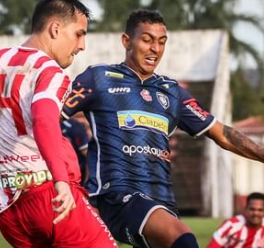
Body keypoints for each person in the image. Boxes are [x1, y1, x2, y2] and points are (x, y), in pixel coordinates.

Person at [62, 9, 264, 248]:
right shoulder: (100, 77)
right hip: (118, 196)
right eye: (146, 40)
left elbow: (221, 133)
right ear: (126, 41)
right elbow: (51, 116)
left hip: (163, 201)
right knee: (185, 241)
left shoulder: (172, 91)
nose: (155, 49)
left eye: (161, 42)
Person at [0, 1, 117, 247]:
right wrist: (61, 181)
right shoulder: (49, 71)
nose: (82, 45)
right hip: (49, 194)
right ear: (55, 29)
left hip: (8, 211)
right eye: (79, 34)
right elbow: (43, 119)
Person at [61, 118, 89, 185]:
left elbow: (88, 155)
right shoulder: (38, 126)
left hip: (76, 175)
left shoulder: (74, 127)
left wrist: (88, 181)